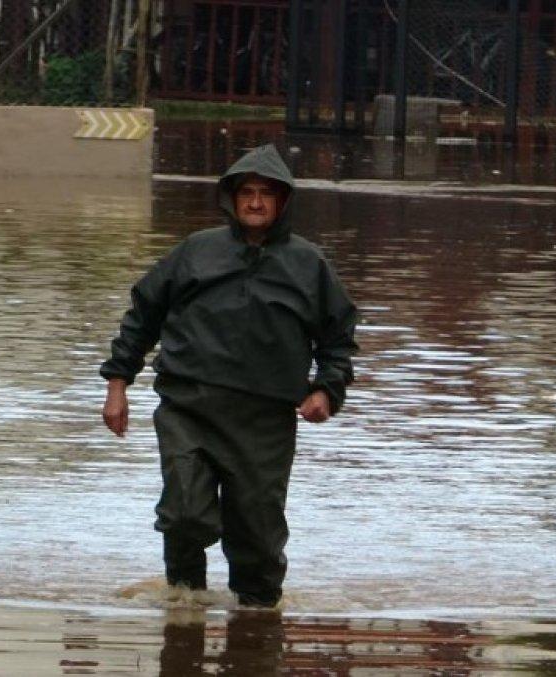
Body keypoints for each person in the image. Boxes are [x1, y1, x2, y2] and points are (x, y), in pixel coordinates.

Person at [100, 143, 358, 608]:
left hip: (265, 421)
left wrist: (326, 389)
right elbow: (143, 315)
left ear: (282, 201)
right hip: (188, 408)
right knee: (184, 516)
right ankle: (183, 610)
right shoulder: (196, 251)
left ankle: (257, 628)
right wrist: (118, 385)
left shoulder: (308, 264)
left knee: (257, 540)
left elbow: (338, 338)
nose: (255, 202)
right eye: (246, 192)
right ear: (231, 199)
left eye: (266, 194)